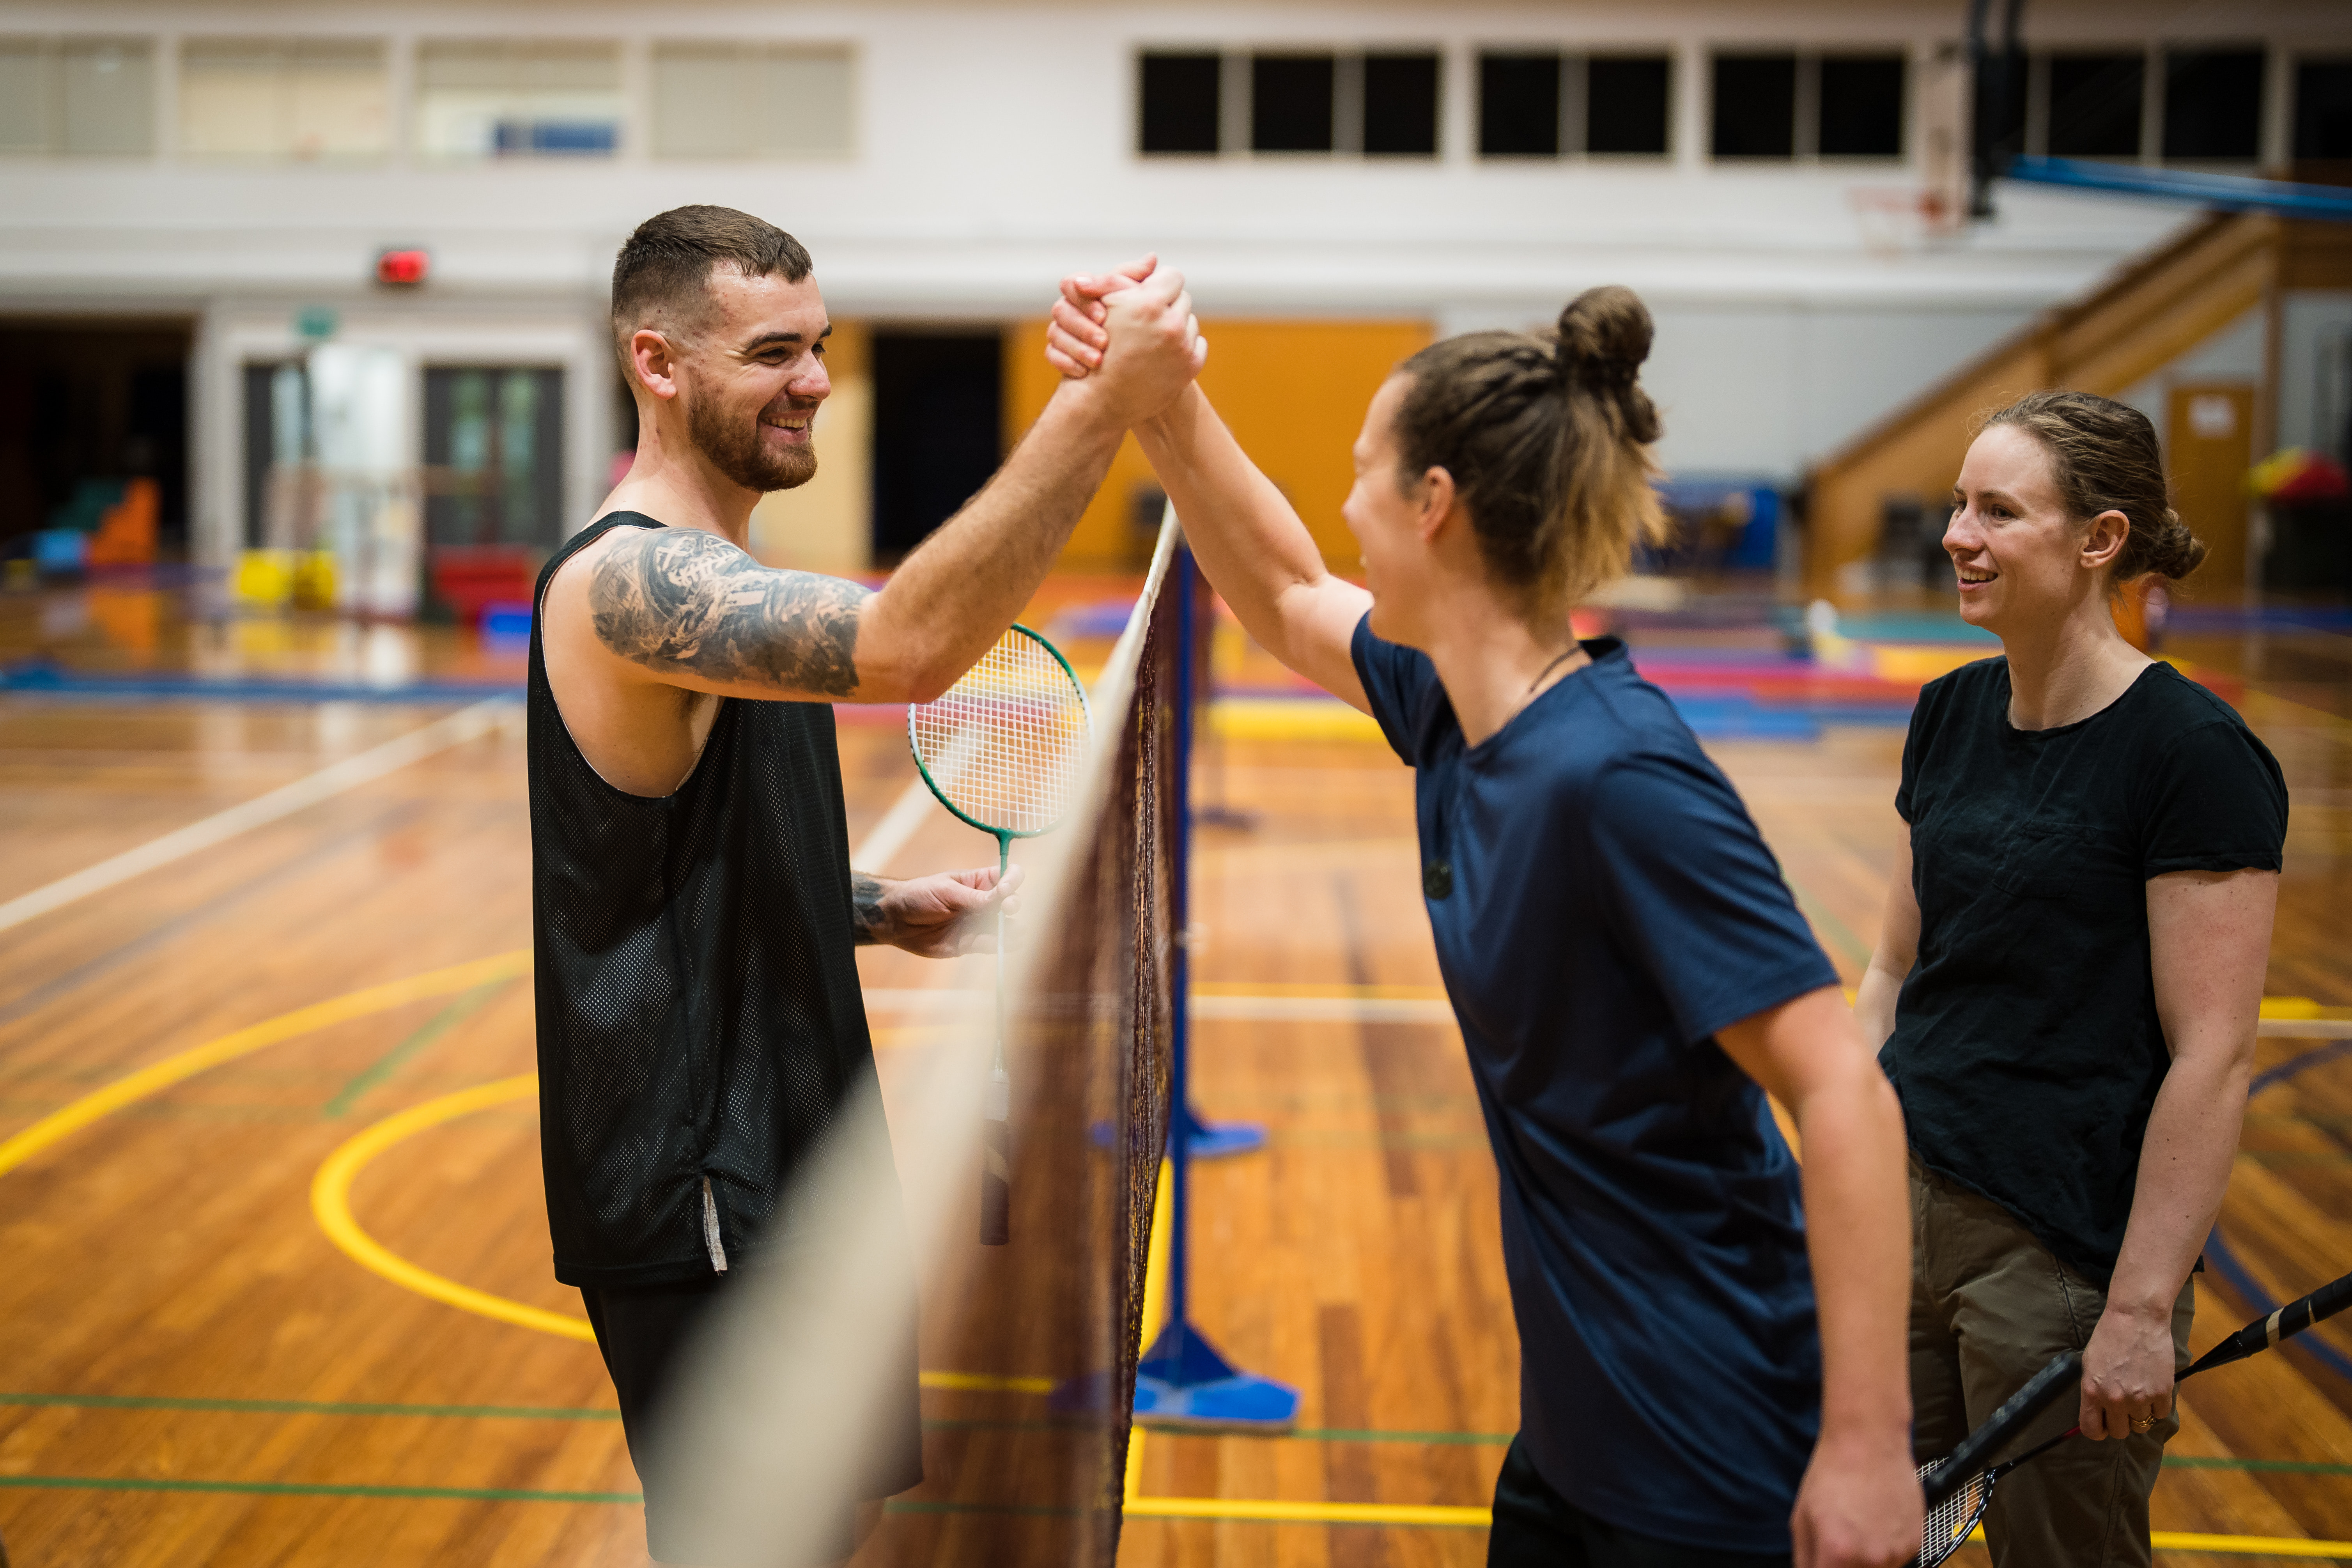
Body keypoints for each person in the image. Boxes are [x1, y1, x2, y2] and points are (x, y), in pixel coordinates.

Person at [1047, 270, 1919, 1567]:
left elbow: (1844, 1094)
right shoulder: (1462, 707)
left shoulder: (1617, 777)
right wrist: (1162, 401)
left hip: (1713, 1451)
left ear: (1434, 506)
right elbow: (1286, 594)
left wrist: (1867, 1447)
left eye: (1361, 473)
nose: (1343, 507)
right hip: (1577, 1439)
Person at [530, 206, 1203, 1567]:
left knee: (824, 1534)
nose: (819, 380)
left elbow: (660, 854)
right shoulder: (625, 585)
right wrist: (1099, 406)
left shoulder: (722, 579)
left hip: (797, 1147)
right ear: (656, 365)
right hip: (698, 1188)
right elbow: (904, 647)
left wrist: (882, 911)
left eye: (821, 346)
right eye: (774, 352)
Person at [1851, 391, 2285, 1566]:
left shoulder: (2190, 752)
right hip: (1905, 1212)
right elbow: (1897, 965)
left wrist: (2142, 1310)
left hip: (2057, 1265)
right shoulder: (1946, 715)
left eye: (1998, 510)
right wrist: (1841, 1164)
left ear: (2098, 541)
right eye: (1957, 505)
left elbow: (2215, 1053)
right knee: (1880, 1540)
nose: (1958, 535)